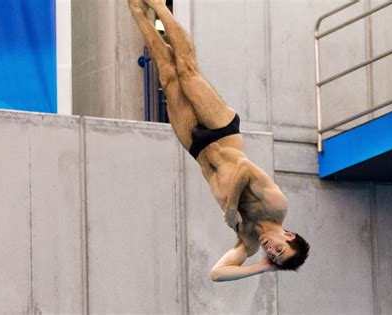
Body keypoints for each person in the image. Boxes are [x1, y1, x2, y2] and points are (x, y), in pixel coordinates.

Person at [128, 0, 309, 282]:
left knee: (168, 75)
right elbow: (244, 168)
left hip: (197, 148)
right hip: (222, 131)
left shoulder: (249, 241)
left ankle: (138, 12)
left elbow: (217, 274)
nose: (272, 251)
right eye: (280, 249)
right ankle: (160, 7)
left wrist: (262, 267)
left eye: (274, 256)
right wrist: (230, 208)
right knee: (187, 70)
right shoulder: (276, 206)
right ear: (288, 235)